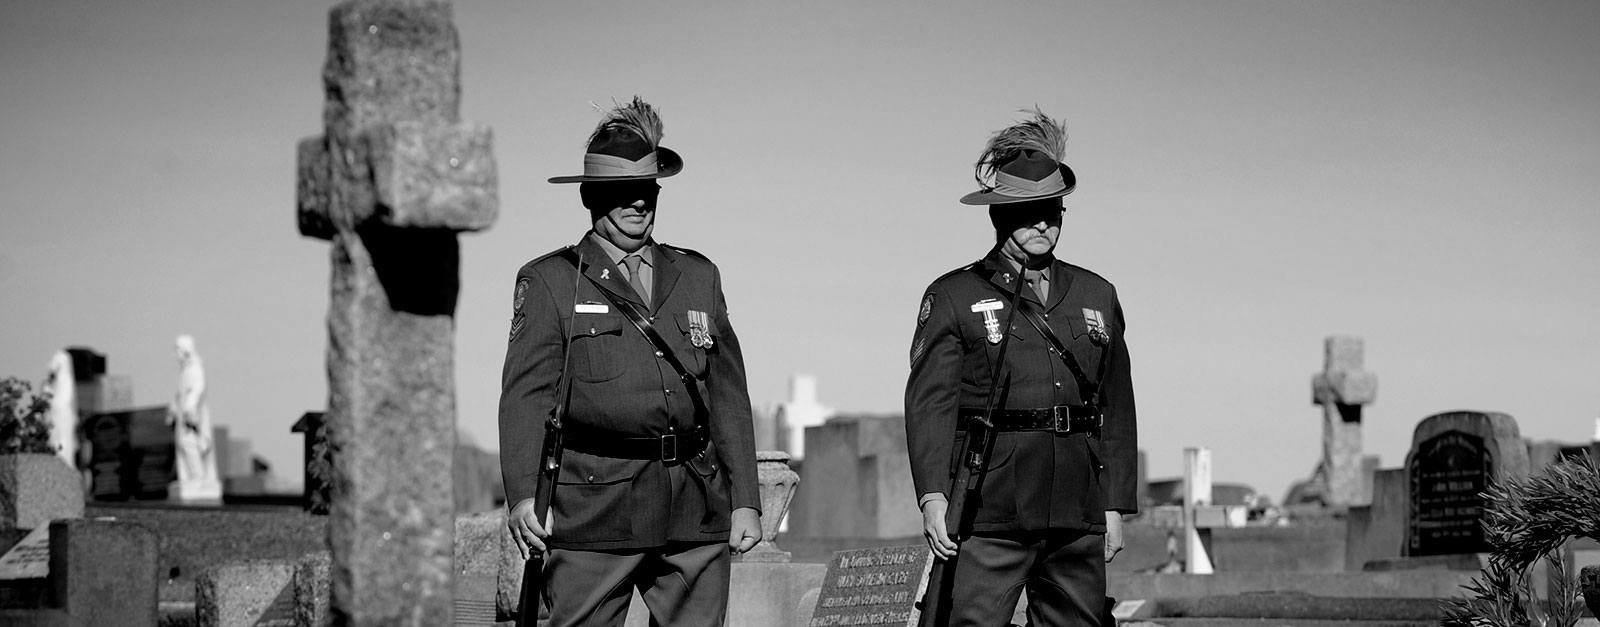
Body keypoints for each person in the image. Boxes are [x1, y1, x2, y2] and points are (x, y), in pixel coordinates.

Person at [499, 97, 762, 627]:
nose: (639, 204)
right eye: (623, 192)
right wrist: (524, 496)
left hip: (694, 502)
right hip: (595, 507)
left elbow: (728, 393)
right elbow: (526, 395)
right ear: (590, 196)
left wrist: (746, 499)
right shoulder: (549, 280)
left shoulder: (698, 275)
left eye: (648, 191)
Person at [905, 109, 1138, 626]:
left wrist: (1115, 504)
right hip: (992, 503)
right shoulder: (955, 295)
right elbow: (931, 405)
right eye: (1029, 211)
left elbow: (1116, 405)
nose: (1042, 222)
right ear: (999, 216)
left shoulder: (1097, 293)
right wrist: (932, 495)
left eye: (1051, 210)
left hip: (1076, 506)